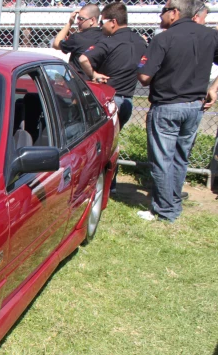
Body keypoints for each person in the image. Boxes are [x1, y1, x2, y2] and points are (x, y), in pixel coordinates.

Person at [137, 0, 218, 222]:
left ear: (175, 13)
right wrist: (214, 89)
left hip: (167, 106)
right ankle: (171, 203)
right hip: (194, 106)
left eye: (163, 11)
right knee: (180, 158)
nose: (160, 16)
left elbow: (144, 77)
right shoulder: (210, 35)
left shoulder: (164, 38)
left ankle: (166, 211)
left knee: (163, 159)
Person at [79, 2, 146, 191]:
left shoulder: (109, 41)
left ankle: (98, 183)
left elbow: (83, 58)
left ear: (113, 22)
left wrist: (93, 75)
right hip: (128, 100)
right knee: (115, 141)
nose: (101, 26)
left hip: (109, 98)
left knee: (99, 143)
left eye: (103, 22)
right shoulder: (139, 40)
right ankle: (112, 183)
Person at [53, 4, 104, 79]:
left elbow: (56, 44)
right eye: (77, 18)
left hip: (79, 83)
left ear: (92, 20)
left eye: (81, 19)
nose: (77, 22)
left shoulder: (77, 38)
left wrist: (69, 23)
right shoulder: (105, 36)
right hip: (98, 82)